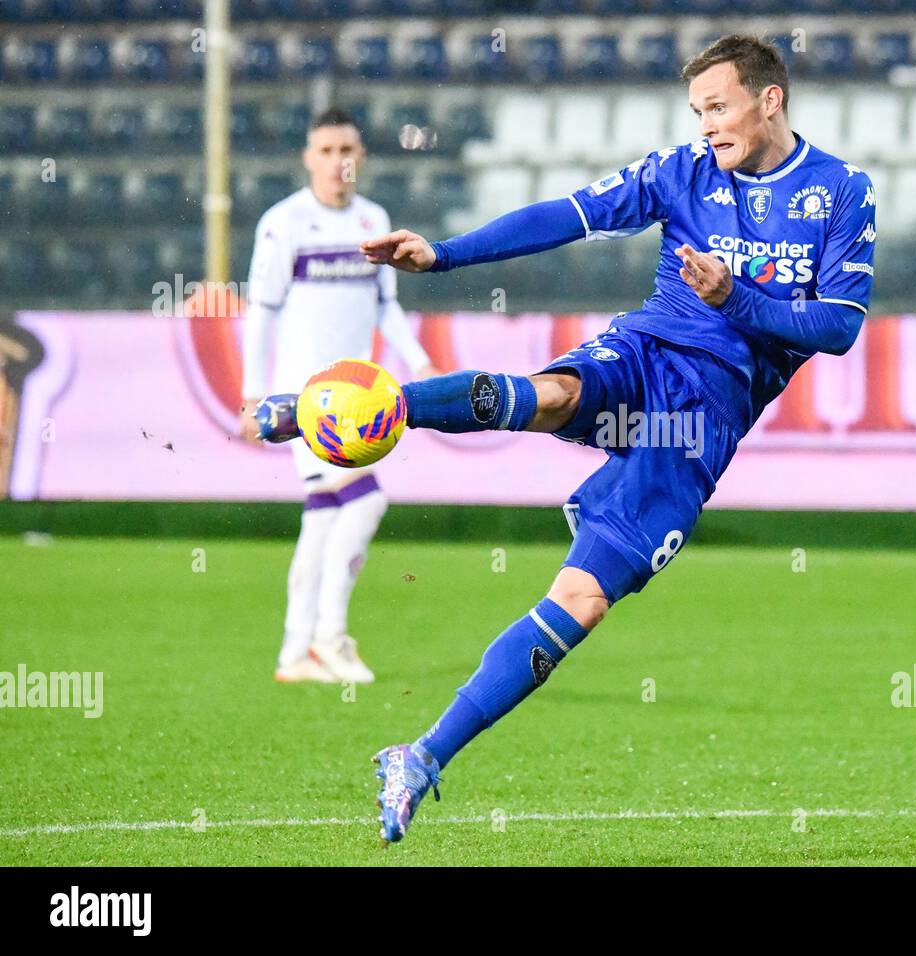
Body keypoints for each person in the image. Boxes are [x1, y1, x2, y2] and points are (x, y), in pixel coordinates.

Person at [259, 34, 875, 840]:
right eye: (697, 112)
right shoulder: (679, 172)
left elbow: (836, 327)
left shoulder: (840, 190)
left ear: (770, 99)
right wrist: (443, 255)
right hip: (647, 349)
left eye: (718, 107)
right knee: (549, 396)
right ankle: (336, 410)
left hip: (704, 417)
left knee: (580, 601)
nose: (706, 126)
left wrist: (738, 301)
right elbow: (567, 217)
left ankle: (421, 754)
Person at [241, 108, 436, 685]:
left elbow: (385, 305)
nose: (337, 161)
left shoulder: (374, 220)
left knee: (324, 516)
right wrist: (254, 392)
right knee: (366, 500)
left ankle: (296, 653)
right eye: (325, 150)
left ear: (362, 157)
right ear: (308, 158)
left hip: (354, 397)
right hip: (303, 400)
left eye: (346, 149)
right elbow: (263, 310)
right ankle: (330, 639)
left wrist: (419, 358)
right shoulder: (284, 223)